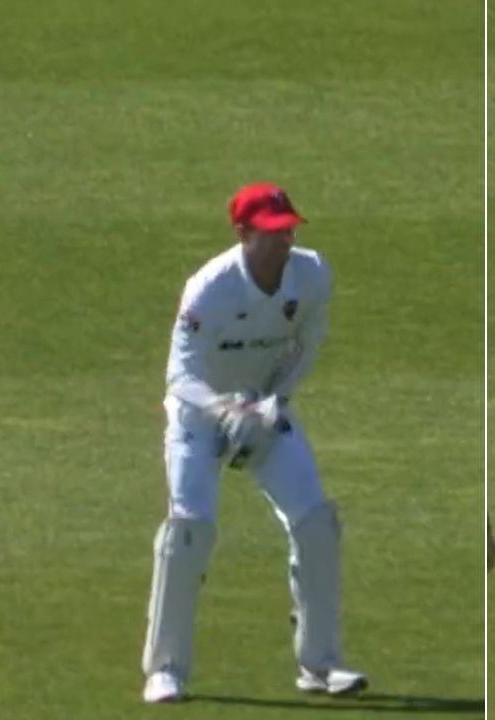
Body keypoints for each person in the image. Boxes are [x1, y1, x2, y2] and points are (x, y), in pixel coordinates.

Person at [140, 182, 367, 703]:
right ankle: (165, 669)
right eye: (270, 233)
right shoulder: (209, 289)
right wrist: (224, 409)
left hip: (261, 410)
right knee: (188, 530)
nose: (283, 241)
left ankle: (321, 663)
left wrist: (273, 403)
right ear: (242, 233)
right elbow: (179, 376)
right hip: (199, 416)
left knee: (317, 523)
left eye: (287, 229)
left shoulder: (311, 274)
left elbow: (309, 344)